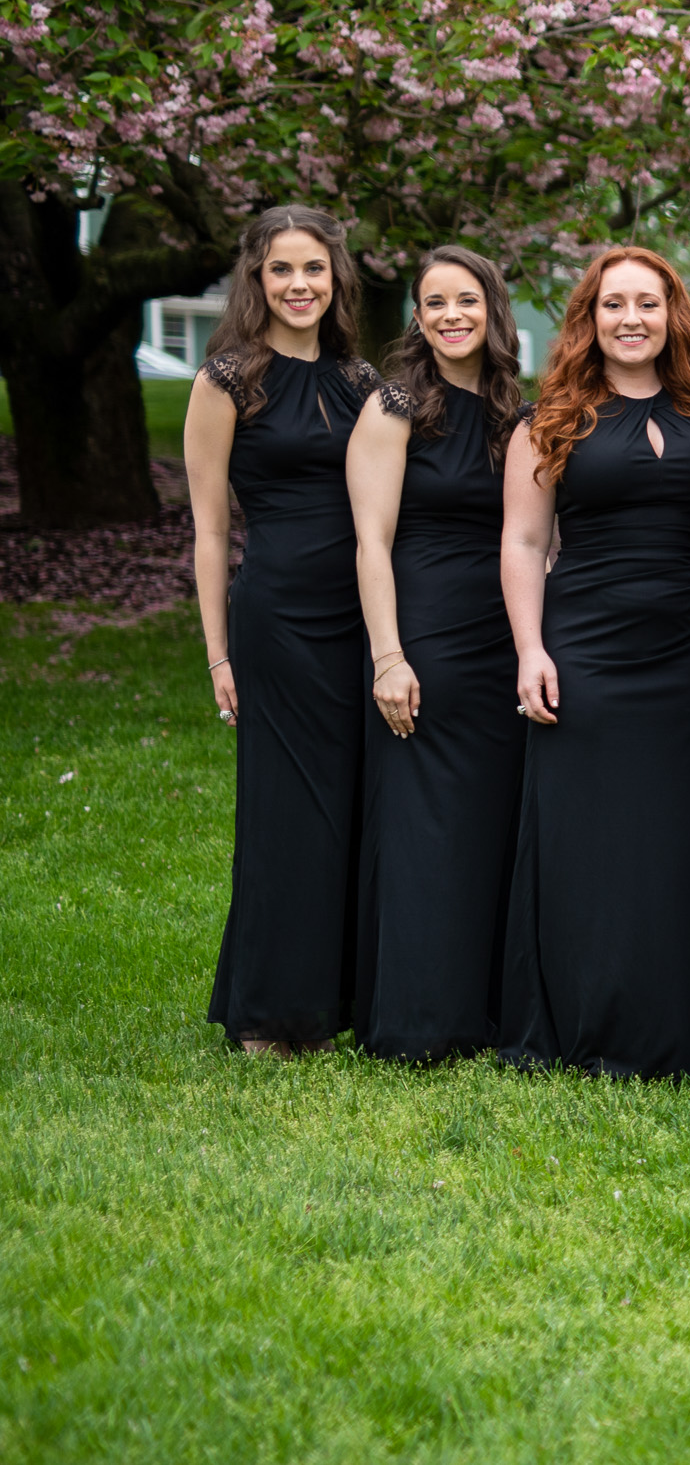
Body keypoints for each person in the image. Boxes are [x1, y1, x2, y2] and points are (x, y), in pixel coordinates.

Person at [497, 246, 690, 1080]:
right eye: (614, 305)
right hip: (586, 651)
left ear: (673, 316)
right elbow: (524, 542)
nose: (632, 319)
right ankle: (585, 1019)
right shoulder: (551, 418)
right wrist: (531, 649)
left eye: (648, 304)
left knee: (682, 837)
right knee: (588, 839)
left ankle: (682, 1021)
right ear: (588, 320)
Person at [186, 206, 380, 1056]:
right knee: (286, 813)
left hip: (363, 618)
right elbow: (208, 530)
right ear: (256, 279)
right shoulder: (227, 380)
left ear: (336, 278)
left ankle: (343, 996)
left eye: (313, 269)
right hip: (280, 619)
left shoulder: (363, 383)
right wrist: (217, 653)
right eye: (281, 270)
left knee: (354, 806)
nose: (299, 285)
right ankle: (270, 1012)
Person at [344, 246, 527, 1061]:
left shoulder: (515, 412)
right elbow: (370, 543)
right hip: (425, 633)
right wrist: (389, 656)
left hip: (502, 638)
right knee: (426, 826)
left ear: (493, 310)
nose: (452, 316)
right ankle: (419, 1018)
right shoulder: (394, 407)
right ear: (416, 318)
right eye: (435, 303)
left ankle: (487, 1010)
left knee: (490, 822)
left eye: (467, 300)